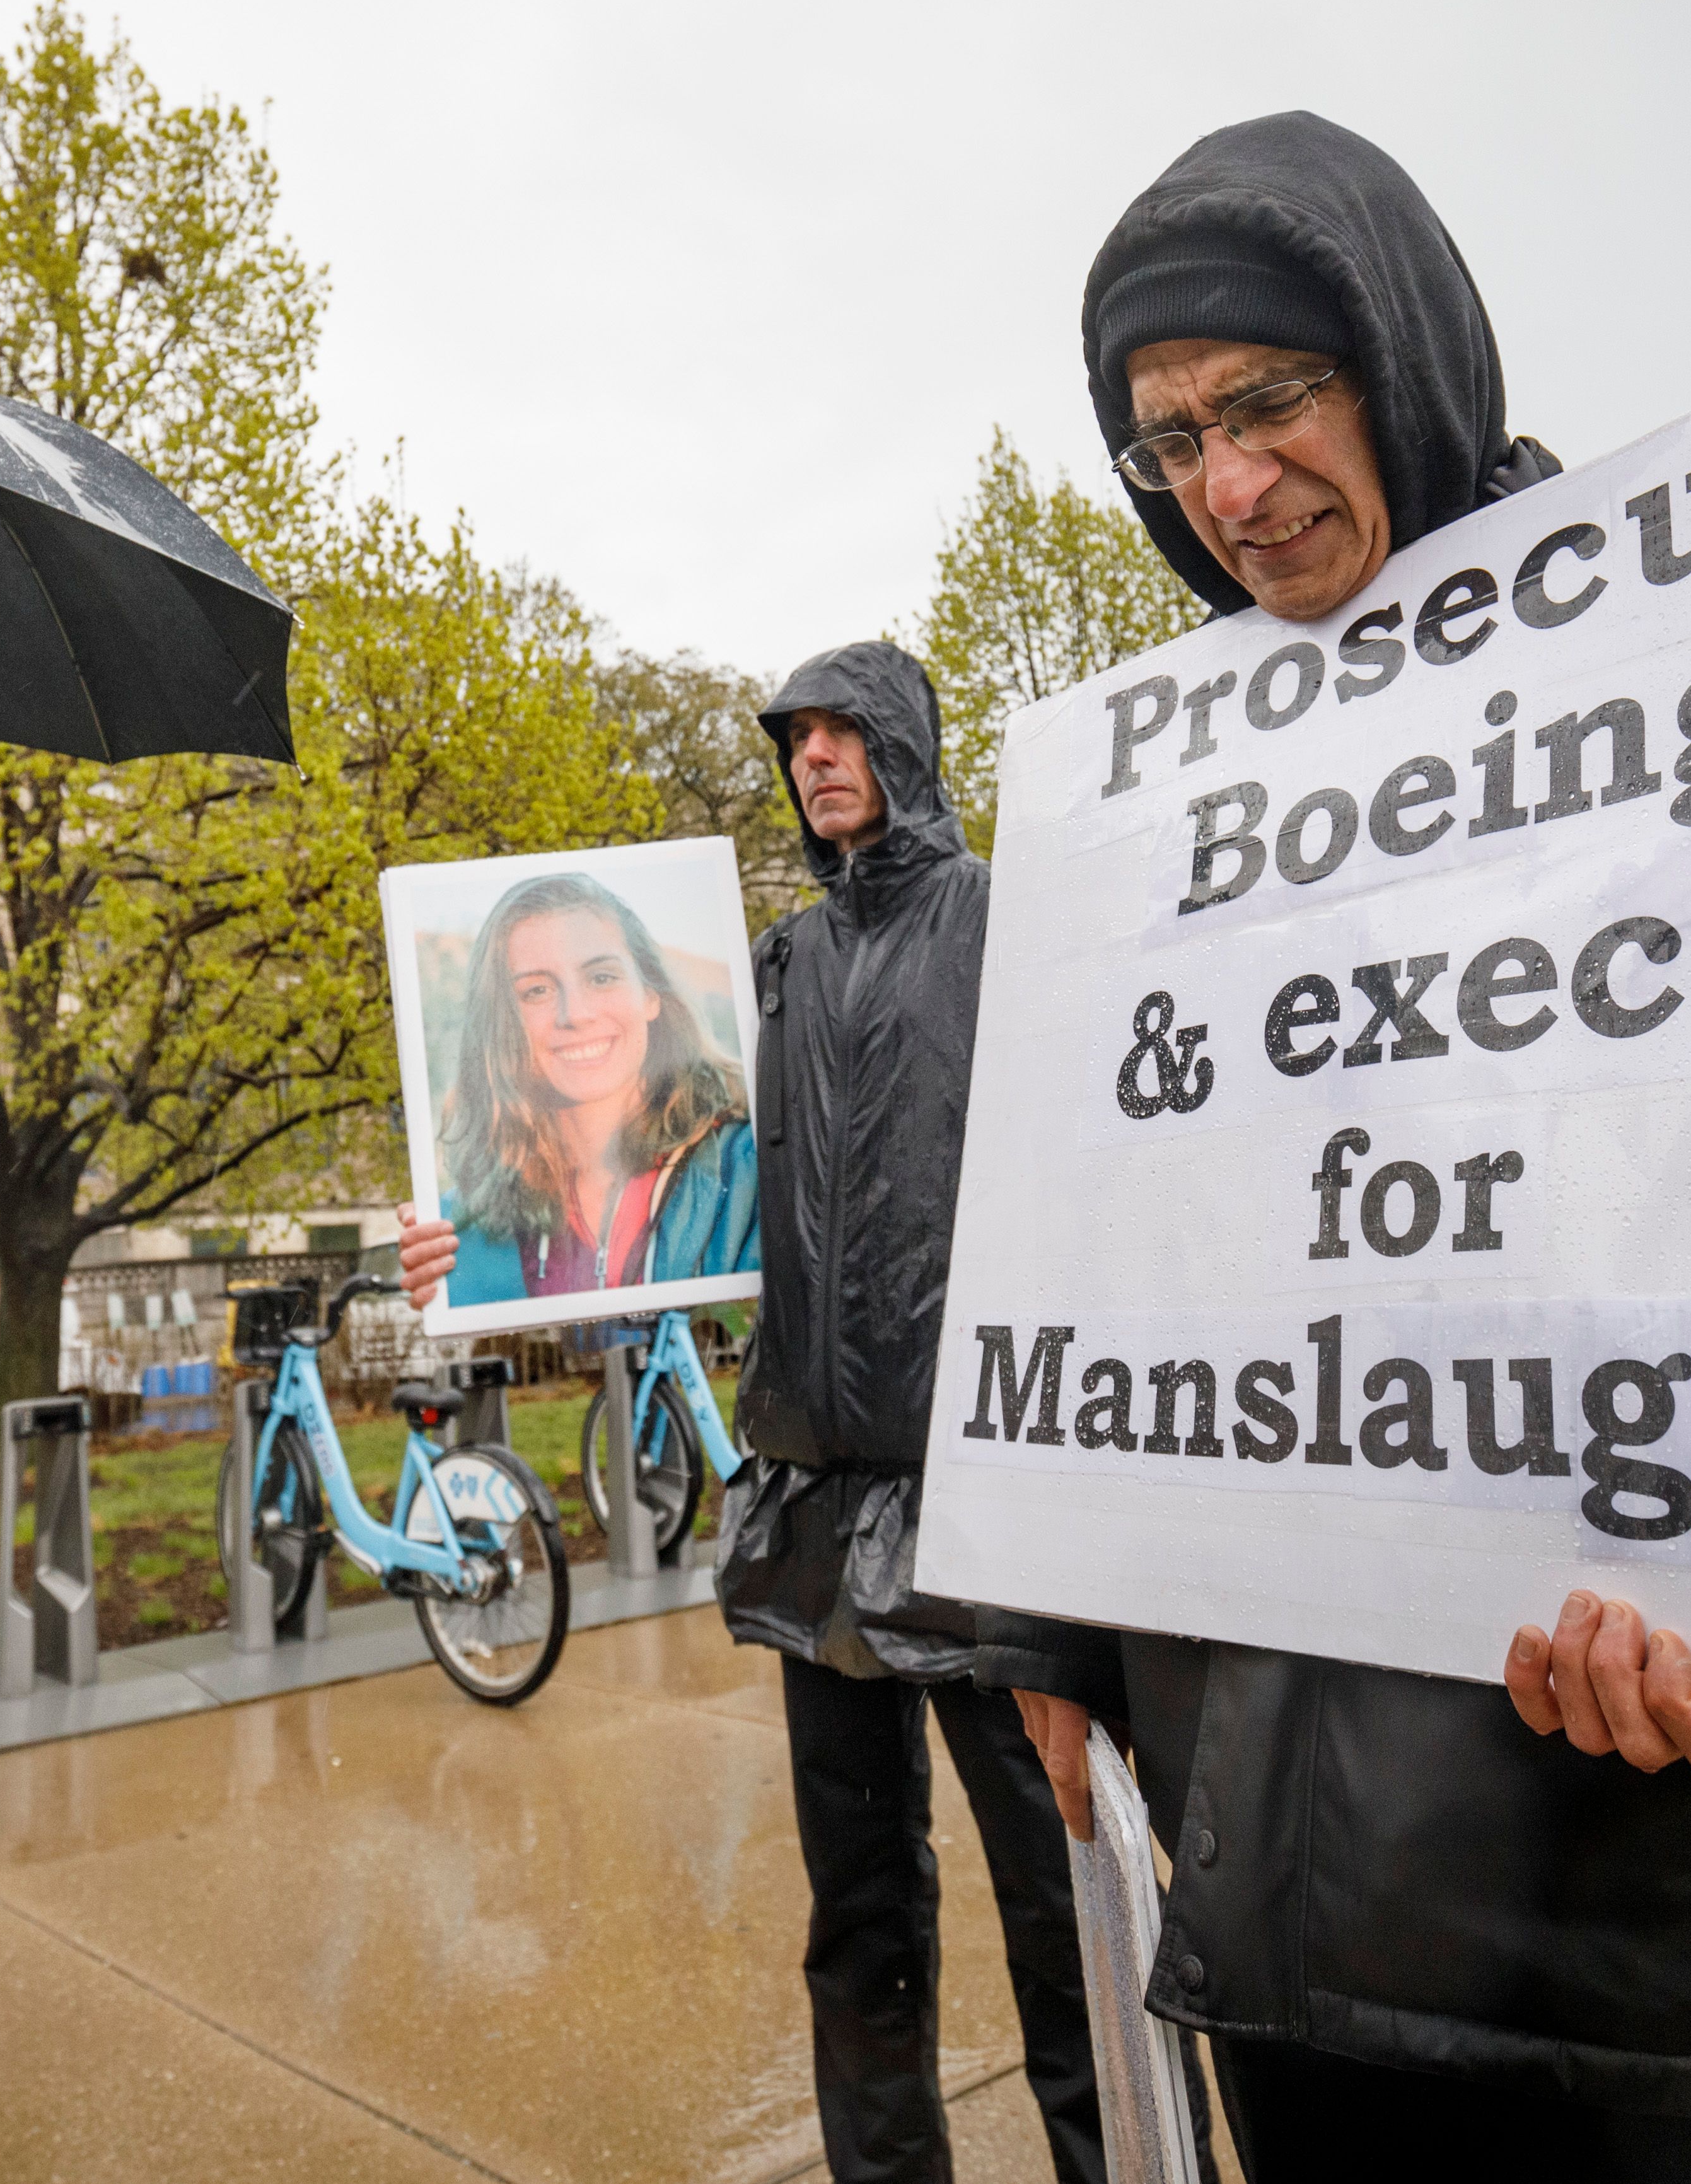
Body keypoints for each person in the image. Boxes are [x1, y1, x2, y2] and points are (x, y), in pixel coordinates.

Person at [979, 111, 1691, 2181]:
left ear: (1398, 353)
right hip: (1310, 1877)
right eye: (1170, 441)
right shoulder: (1170, 797)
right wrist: (1056, 1631)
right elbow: (1110, 1231)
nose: (1227, 489)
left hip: (1672, 1880)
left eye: (1268, 402)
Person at [421, 642, 1146, 2184]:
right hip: (815, 1493)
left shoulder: (1006, 919)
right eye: (796, 738)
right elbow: (640, 1179)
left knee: (1061, 1904)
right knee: (861, 1911)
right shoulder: (775, 962)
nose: (818, 757)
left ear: (906, 740)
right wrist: (466, 1251)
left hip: (984, 1497)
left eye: (843, 730)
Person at [405, 869, 760, 1308]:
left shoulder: (752, 1170)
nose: (575, 1013)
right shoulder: (463, 1225)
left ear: (652, 996)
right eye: (536, 990)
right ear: (502, 1023)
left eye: (602, 977)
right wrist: (437, 1286)